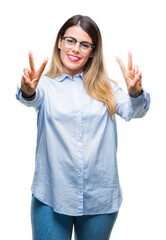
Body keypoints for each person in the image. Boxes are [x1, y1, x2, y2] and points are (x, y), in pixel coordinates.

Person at [16, 14, 150, 240]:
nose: (76, 49)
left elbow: (133, 111)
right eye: (70, 41)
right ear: (60, 42)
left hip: (100, 198)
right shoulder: (45, 86)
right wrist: (28, 89)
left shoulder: (107, 88)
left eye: (84, 44)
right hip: (51, 196)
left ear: (92, 52)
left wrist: (135, 92)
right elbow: (30, 97)